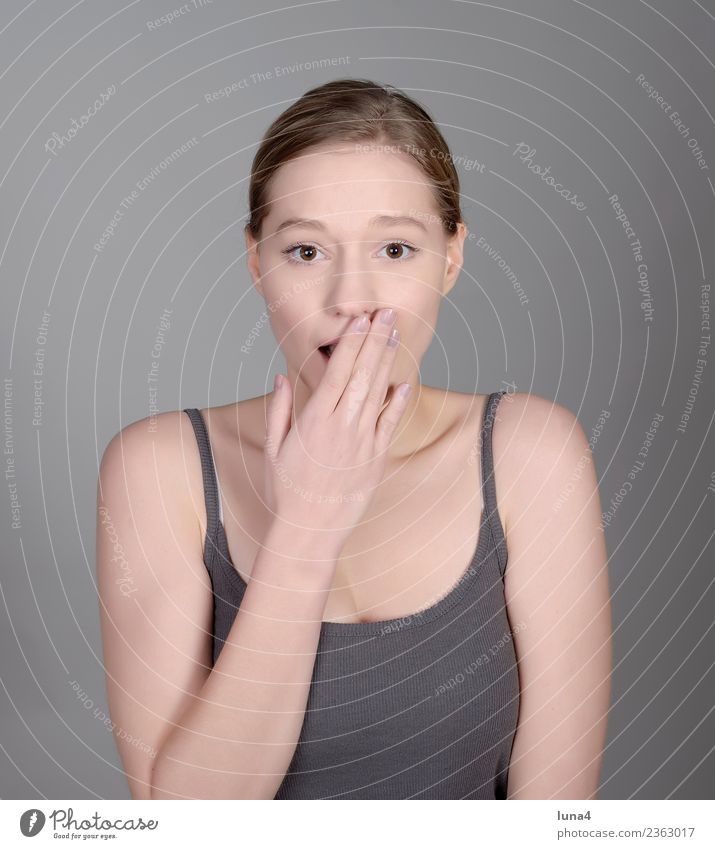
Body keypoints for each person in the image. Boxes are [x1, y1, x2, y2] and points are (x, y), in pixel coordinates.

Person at [96, 78, 612, 800]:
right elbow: (182, 823)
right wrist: (307, 521)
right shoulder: (160, 467)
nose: (350, 298)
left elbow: (557, 819)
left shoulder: (531, 452)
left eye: (395, 247)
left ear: (451, 257)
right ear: (256, 263)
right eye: (305, 252)